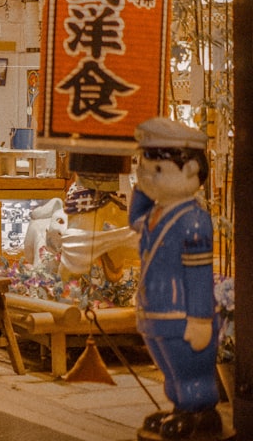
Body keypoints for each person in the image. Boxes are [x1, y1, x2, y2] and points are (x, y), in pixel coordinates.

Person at [130, 117, 228, 440]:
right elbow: (135, 219)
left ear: (189, 172)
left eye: (156, 169)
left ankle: (199, 414)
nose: (146, 175)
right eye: (142, 166)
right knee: (169, 368)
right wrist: (142, 184)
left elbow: (199, 274)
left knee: (189, 369)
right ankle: (180, 410)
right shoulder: (156, 214)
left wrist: (200, 319)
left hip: (182, 314)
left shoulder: (194, 221)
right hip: (156, 312)